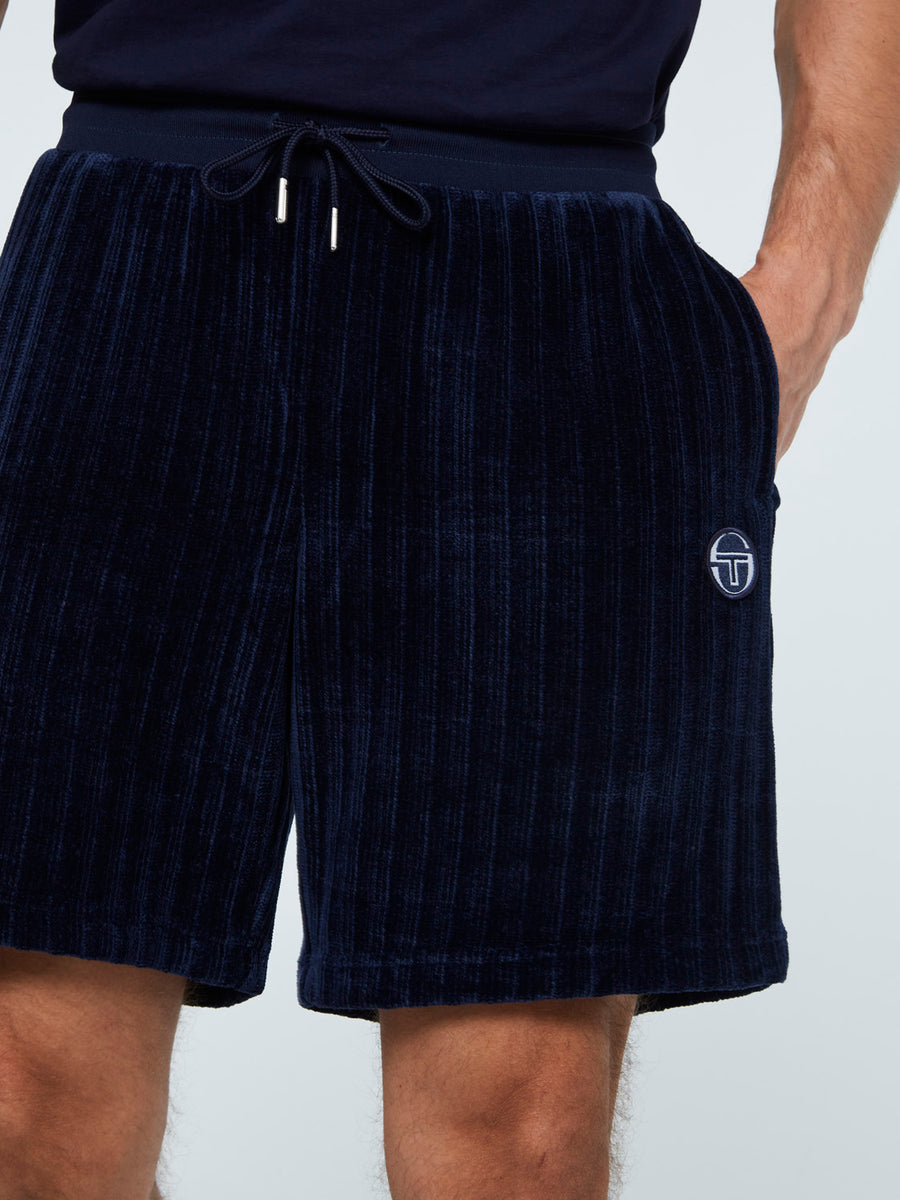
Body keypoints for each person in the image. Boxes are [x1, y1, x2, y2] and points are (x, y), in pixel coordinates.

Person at [0, 2, 897, 1198]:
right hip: (129, 249)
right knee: (24, 1101)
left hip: (550, 282)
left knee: (513, 1130)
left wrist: (809, 288)